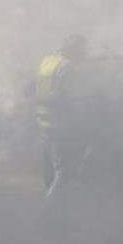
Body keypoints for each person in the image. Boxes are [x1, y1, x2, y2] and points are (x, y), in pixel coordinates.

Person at [36, 34, 89, 193]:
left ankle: (53, 205)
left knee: (50, 170)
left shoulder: (48, 61)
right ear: (74, 49)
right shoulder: (68, 67)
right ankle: (48, 214)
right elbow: (63, 96)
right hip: (60, 124)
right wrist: (82, 106)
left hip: (44, 121)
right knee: (63, 172)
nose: (84, 54)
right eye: (82, 49)